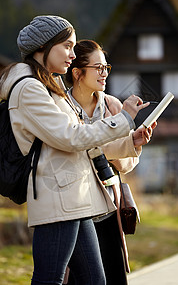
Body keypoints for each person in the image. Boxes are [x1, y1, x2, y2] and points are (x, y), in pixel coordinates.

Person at [0, 16, 150, 285]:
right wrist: (124, 118)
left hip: (75, 197)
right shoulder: (30, 88)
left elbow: (85, 143)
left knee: (94, 280)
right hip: (58, 197)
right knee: (50, 279)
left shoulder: (48, 86)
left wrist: (130, 141)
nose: (72, 53)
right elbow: (71, 137)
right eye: (66, 46)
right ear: (44, 47)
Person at [64, 39, 157, 285]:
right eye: (98, 68)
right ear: (77, 72)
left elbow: (126, 165)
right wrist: (118, 145)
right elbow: (71, 146)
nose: (104, 73)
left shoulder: (112, 105)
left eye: (106, 67)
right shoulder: (60, 106)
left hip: (108, 206)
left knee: (112, 274)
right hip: (75, 207)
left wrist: (134, 143)